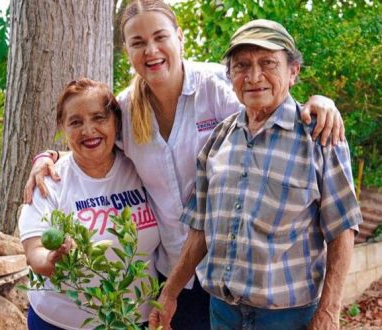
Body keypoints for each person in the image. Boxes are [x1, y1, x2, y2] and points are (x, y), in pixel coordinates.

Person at [24, 1, 347, 328]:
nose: (151, 50)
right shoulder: (123, 109)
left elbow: (270, 105)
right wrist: (48, 158)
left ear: (179, 37)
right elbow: (93, 144)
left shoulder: (214, 87)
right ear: (127, 51)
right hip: (172, 274)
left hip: (227, 271)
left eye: (160, 37)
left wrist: (319, 103)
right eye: (138, 43)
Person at [149, 19, 362, 330]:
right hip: (222, 313)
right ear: (231, 75)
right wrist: (169, 294)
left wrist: (329, 313)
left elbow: (342, 231)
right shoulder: (219, 139)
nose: (254, 76)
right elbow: (199, 230)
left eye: (268, 63)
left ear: (293, 72)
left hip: (289, 318)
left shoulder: (319, 136)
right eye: (242, 65)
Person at [19, 78, 161, 329]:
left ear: (116, 122)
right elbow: (34, 252)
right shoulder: (48, 181)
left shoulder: (142, 167)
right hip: (58, 322)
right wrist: (51, 259)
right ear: (63, 127)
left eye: (99, 118)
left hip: (134, 319)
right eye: (76, 122)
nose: (88, 130)